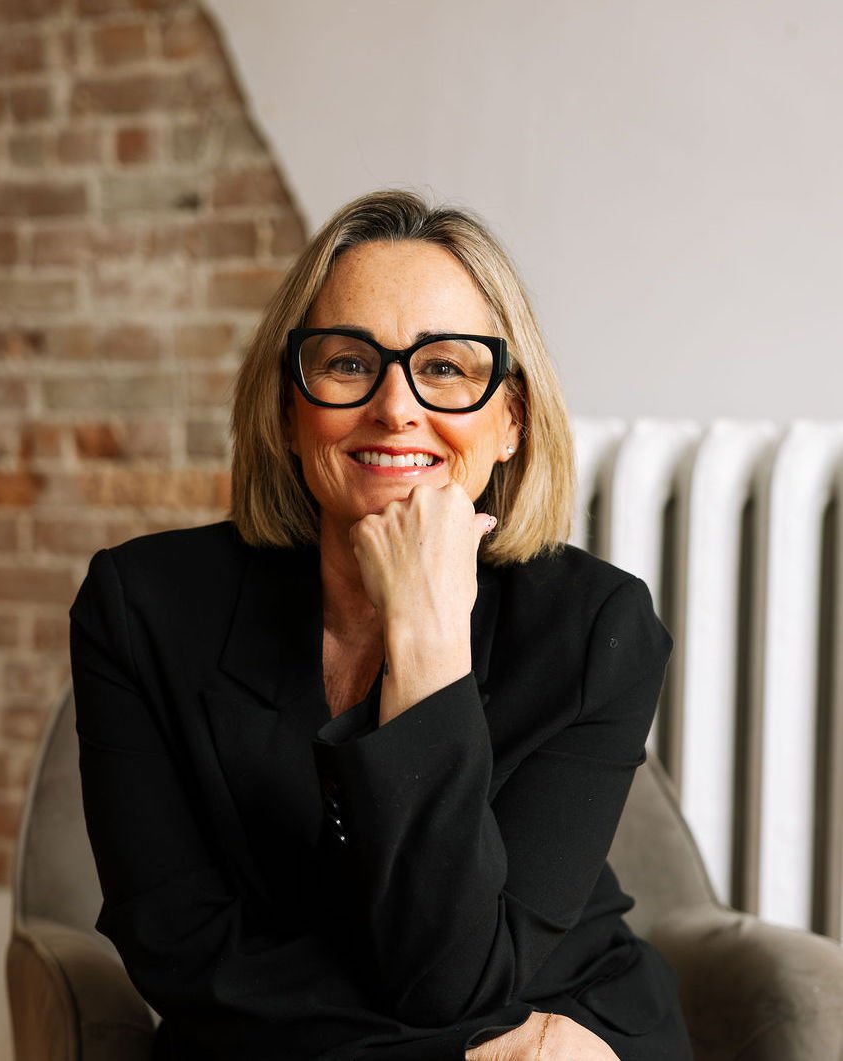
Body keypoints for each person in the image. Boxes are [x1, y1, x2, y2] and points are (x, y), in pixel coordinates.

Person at [70, 189, 693, 1060]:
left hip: (566, 1018)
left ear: (510, 420)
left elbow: (460, 973)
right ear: (288, 408)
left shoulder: (597, 626)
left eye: (446, 367)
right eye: (349, 362)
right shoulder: (141, 607)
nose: (396, 407)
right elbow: (178, 946)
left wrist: (426, 637)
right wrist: (486, 1052)